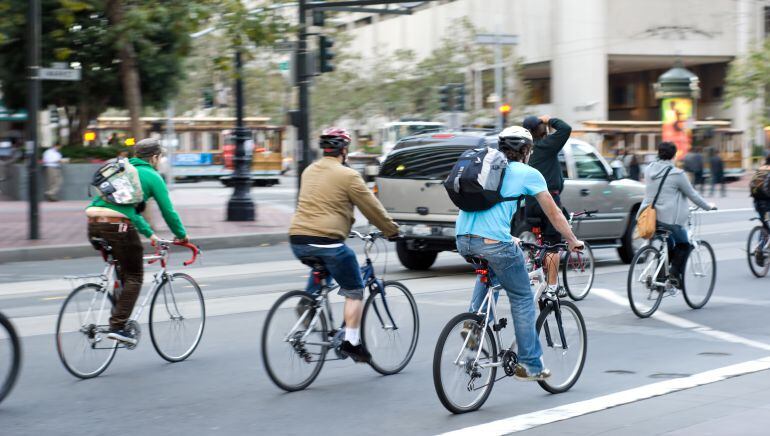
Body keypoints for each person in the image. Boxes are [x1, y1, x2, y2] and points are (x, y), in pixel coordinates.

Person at [457, 126, 583, 381]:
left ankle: (474, 326)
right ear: (526, 150)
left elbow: (486, 209)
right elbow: (554, 212)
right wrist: (571, 239)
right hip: (493, 243)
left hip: (463, 239)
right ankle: (530, 365)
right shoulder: (528, 173)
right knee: (523, 297)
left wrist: (510, 237)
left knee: (490, 273)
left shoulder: (487, 167)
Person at [288, 127, 399, 363]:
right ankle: (352, 342)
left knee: (324, 267)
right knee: (355, 289)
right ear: (344, 150)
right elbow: (372, 208)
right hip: (327, 241)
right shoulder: (348, 175)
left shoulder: (309, 170)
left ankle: (308, 304)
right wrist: (391, 230)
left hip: (298, 239)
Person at [85, 138, 188, 345]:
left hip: (94, 221)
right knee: (134, 275)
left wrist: (150, 235)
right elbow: (168, 211)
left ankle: (118, 312)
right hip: (117, 225)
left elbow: (128, 211)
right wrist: (181, 235)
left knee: (123, 270)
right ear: (155, 157)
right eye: (161, 157)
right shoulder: (152, 175)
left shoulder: (123, 170)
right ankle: (118, 326)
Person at [639, 142, 716, 288]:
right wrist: (708, 206)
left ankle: (660, 279)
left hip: (649, 216)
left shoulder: (649, 170)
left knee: (668, 245)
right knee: (684, 245)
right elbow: (693, 195)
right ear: (674, 155)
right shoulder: (677, 174)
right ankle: (674, 276)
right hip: (668, 219)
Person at [522, 114, 572, 297]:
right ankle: (552, 286)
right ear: (540, 128)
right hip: (548, 200)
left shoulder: (526, 150)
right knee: (553, 245)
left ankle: (536, 270)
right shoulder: (546, 146)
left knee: (539, 243)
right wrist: (549, 119)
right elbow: (566, 129)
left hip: (530, 204)